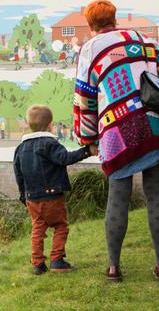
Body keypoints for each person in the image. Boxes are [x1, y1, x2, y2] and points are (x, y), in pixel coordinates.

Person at [73, 0, 159, 282]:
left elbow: (85, 97)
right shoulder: (145, 40)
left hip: (118, 130)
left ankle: (113, 267)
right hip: (158, 123)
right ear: (114, 18)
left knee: (118, 196)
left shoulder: (90, 48)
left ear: (90, 24)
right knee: (157, 194)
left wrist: (87, 137)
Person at [13, 104, 97, 274]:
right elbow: (64, 158)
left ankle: (37, 264)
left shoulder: (20, 148)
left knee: (38, 229)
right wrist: (87, 151)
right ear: (50, 124)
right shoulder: (50, 143)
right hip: (52, 196)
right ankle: (57, 260)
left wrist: (24, 196)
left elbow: (18, 174)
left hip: (32, 198)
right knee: (60, 226)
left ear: (29, 125)